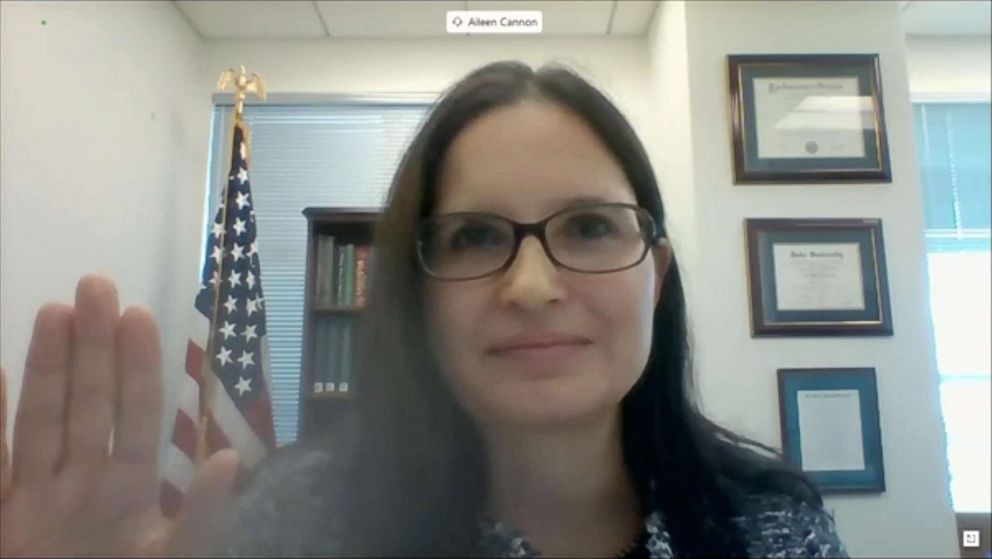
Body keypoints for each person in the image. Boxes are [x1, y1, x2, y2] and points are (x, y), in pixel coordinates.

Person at [0, 61, 848, 558]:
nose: (532, 285)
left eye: (590, 227)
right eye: (475, 238)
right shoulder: (292, 529)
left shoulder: (773, 527)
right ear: (416, 294)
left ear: (655, 277)